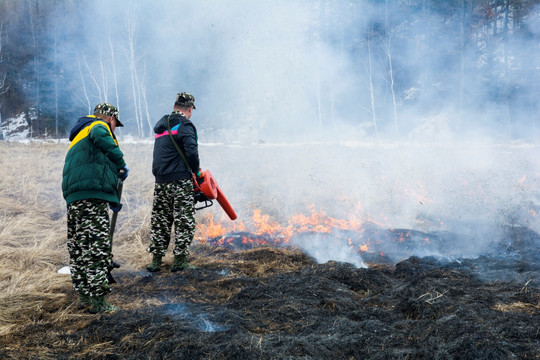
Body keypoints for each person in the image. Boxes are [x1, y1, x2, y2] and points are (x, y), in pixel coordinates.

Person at [62, 103, 129, 313]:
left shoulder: (80, 135)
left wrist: (111, 198)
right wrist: (121, 163)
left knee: (80, 247)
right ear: (110, 118)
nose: (114, 128)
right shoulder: (98, 126)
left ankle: (84, 296)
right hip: (91, 199)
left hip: (76, 198)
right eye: (115, 124)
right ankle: (99, 301)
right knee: (97, 249)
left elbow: (93, 169)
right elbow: (106, 145)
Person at [147, 92, 202, 272]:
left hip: (161, 181)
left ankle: (156, 261)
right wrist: (197, 171)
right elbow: (191, 151)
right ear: (190, 108)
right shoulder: (185, 125)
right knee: (184, 220)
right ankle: (179, 261)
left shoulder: (162, 126)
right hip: (180, 181)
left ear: (174, 106)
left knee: (160, 220)